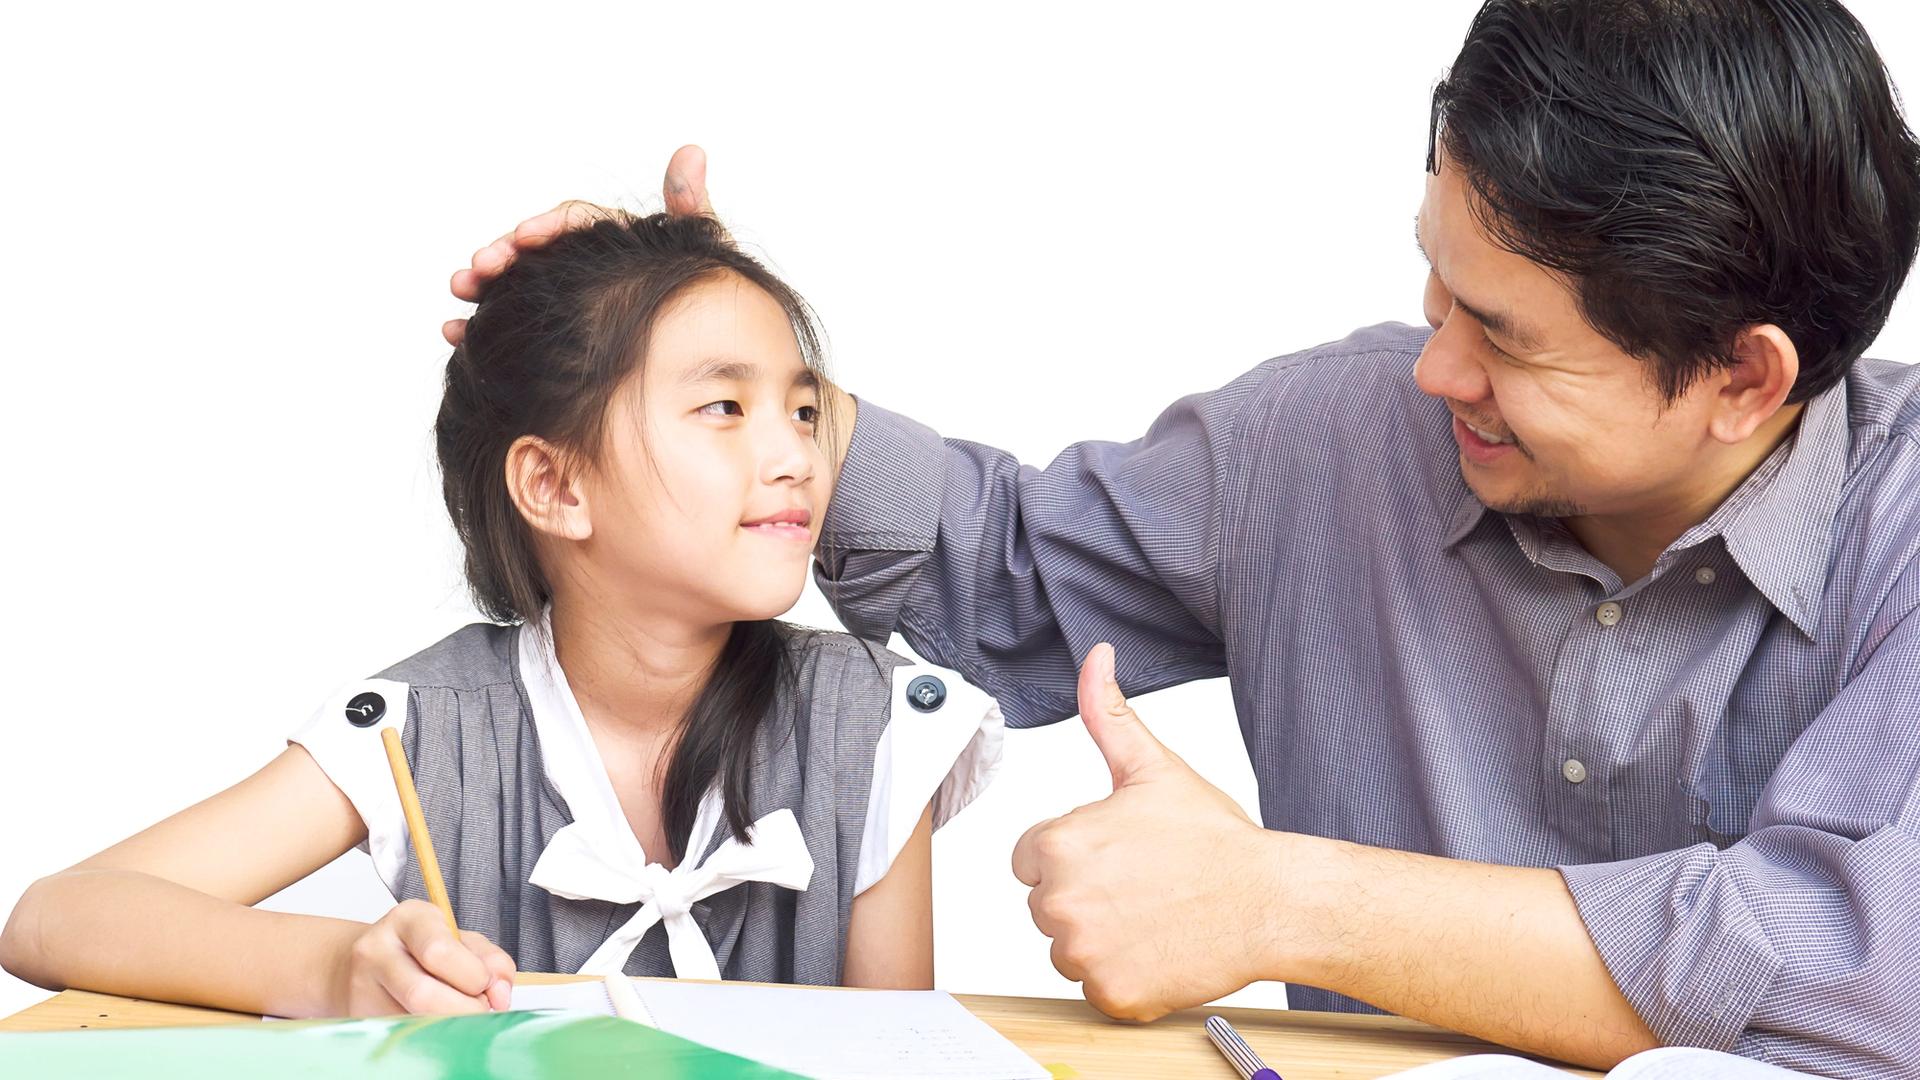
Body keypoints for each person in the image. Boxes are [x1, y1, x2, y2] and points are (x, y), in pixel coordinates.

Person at [449, 1, 1920, 1075]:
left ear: (1746, 377)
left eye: (1509, 340)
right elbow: (1008, 564)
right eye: (1438, 288)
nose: (1436, 370)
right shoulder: (1322, 439)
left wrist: (1281, 898)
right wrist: (689, 363)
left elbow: (1862, 974)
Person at [0, 211, 1001, 1018]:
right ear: (554, 485)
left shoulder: (875, 726)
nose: (794, 454)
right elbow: (54, 918)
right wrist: (339, 967)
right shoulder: (430, 726)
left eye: (803, 408)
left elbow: (899, 1054)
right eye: (725, 408)